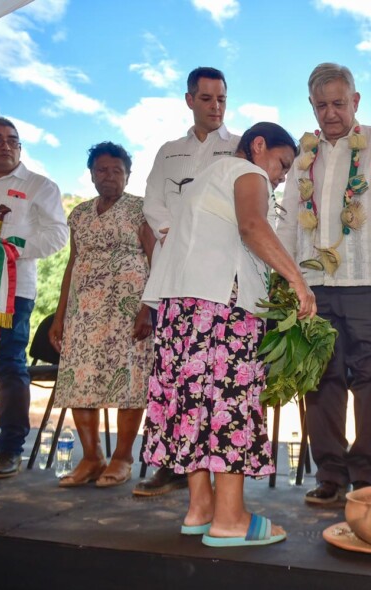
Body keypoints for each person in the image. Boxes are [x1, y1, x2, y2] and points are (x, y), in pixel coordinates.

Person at [141, 122, 315, 547]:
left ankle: (201, 508)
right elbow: (253, 227)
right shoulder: (245, 173)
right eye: (282, 164)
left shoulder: (204, 180)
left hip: (180, 306)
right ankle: (231, 518)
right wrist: (297, 280)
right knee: (227, 401)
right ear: (258, 146)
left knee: (192, 402)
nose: (281, 176)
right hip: (220, 305)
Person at [277, 63, 371, 504]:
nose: (330, 113)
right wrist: (287, 280)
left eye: (339, 103)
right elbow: (287, 223)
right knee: (319, 379)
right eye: (321, 105)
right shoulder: (303, 155)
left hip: (368, 282)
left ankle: (369, 476)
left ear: (355, 101)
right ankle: (330, 475)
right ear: (311, 107)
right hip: (313, 286)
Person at [137, 66, 240, 497]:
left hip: (217, 277)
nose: (215, 107)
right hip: (173, 270)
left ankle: (219, 471)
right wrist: (171, 233)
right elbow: (152, 202)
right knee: (173, 374)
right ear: (189, 100)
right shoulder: (169, 150)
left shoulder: (238, 146)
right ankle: (173, 466)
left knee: (215, 379)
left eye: (221, 99)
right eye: (206, 99)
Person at [48, 142, 155, 488]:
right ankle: (92, 457)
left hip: (128, 311)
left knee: (128, 381)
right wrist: (59, 316)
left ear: (127, 175)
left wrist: (147, 309)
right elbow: (72, 264)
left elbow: (156, 261)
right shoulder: (79, 214)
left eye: (116, 170)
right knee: (80, 380)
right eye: (101, 170)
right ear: (91, 174)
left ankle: (122, 457)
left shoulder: (141, 210)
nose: (109, 177)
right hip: (84, 313)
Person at [0, 116, 68, 479]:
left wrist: (7, 250)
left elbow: (57, 235)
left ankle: (9, 448)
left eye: (13, 140)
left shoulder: (39, 186)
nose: (6, 145)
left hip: (12, 294)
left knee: (9, 363)